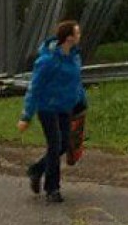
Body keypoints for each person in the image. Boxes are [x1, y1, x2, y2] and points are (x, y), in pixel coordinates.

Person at [17, 20, 86, 203]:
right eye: (77, 33)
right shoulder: (47, 61)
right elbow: (35, 88)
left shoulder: (75, 57)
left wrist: (81, 102)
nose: (80, 36)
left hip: (65, 106)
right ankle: (52, 188)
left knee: (64, 144)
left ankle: (37, 169)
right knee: (55, 145)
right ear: (69, 37)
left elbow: (76, 83)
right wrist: (26, 116)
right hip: (47, 107)